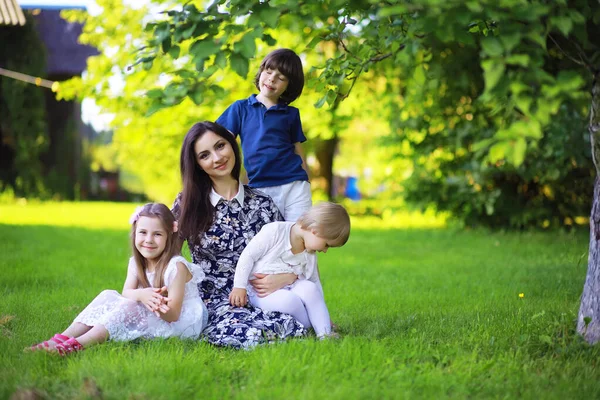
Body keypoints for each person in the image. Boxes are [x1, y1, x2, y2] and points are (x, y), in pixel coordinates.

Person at [173, 121, 306, 349]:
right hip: (214, 299)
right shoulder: (187, 203)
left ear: (232, 146)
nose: (217, 158)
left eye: (220, 146)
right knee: (251, 334)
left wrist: (287, 277)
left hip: (261, 293)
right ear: (197, 165)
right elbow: (166, 254)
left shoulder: (262, 203)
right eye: (205, 155)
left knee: (291, 326)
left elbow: (291, 253)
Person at [27, 203, 208, 356]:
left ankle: (75, 345)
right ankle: (60, 338)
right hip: (157, 310)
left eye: (157, 234)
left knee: (130, 306)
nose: (149, 240)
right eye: (143, 232)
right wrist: (142, 295)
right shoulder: (137, 263)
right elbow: (126, 293)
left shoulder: (176, 266)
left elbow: (174, 315)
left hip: (181, 321)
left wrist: (152, 303)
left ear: (170, 235)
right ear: (135, 233)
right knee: (108, 295)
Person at [229, 202, 350, 338]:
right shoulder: (275, 232)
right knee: (289, 301)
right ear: (315, 230)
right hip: (260, 291)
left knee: (310, 288)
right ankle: (310, 327)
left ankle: (324, 333)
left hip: (291, 285)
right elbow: (247, 256)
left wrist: (323, 314)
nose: (325, 250)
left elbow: (314, 281)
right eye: (326, 244)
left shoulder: (310, 252)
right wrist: (239, 287)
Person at [216, 48, 311, 222]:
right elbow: (220, 142)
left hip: (294, 184)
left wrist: (307, 180)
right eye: (268, 71)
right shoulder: (240, 108)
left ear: (289, 86)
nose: (272, 78)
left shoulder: (291, 114)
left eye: (281, 78)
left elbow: (297, 149)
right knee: (267, 240)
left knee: (300, 236)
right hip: (259, 187)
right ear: (261, 72)